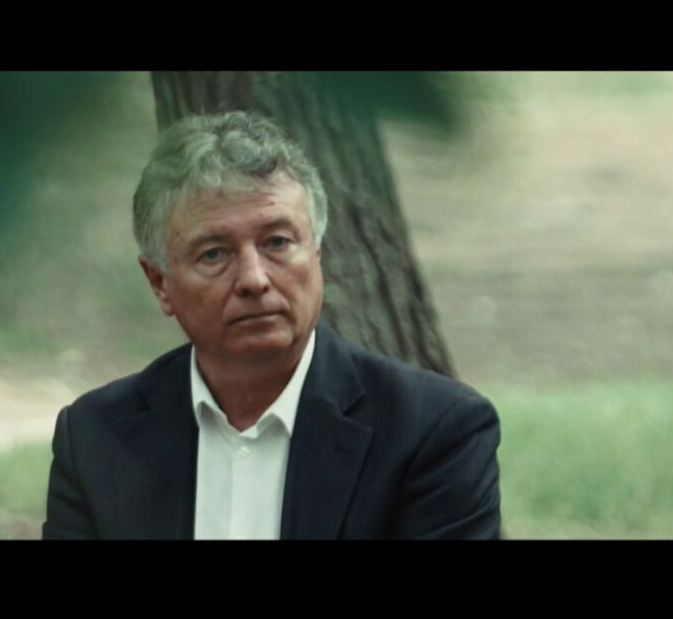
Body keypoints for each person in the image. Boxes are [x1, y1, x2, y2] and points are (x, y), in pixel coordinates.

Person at [43, 111, 501, 540]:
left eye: (277, 242)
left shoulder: (432, 432)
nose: (254, 279)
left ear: (317, 255)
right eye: (214, 254)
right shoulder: (95, 438)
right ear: (160, 283)